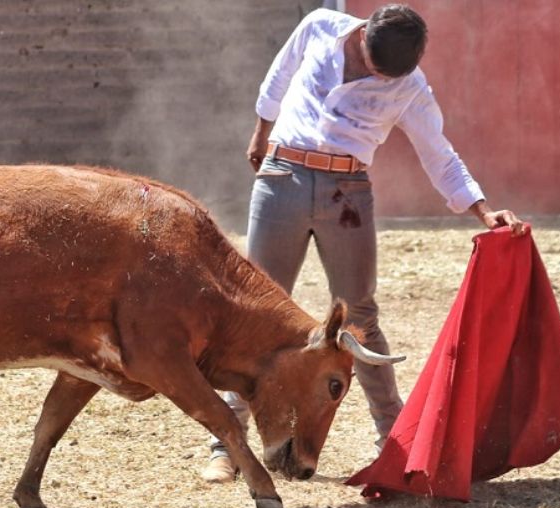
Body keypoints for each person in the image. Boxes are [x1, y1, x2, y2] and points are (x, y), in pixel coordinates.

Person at [201, 4, 525, 483]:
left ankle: (395, 442)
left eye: (386, 74)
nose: (376, 76)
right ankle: (224, 444)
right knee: (252, 315)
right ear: (362, 34)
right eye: (373, 66)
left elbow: (439, 153)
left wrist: (482, 209)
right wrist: (260, 135)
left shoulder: (409, 86)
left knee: (361, 318)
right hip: (281, 178)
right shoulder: (319, 26)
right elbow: (277, 79)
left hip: (347, 194)